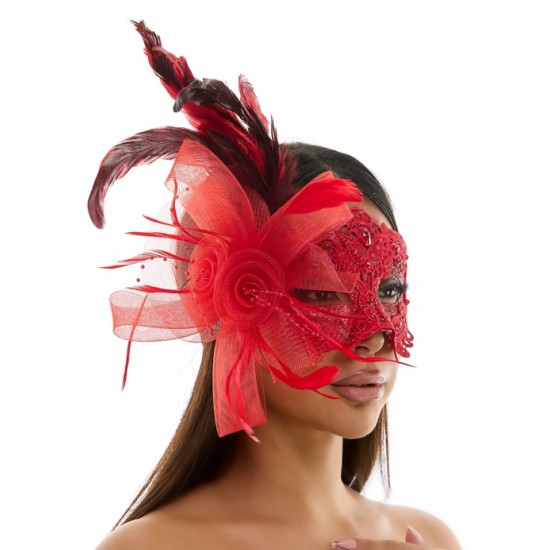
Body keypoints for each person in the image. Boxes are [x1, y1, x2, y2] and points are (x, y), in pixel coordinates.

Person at [89, 21, 461, 550]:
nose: (375, 338)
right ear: (232, 301)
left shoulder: (430, 538)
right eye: (320, 293)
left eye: (388, 290)